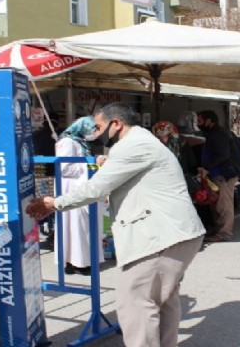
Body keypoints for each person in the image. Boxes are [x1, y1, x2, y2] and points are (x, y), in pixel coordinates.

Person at [26, 102, 205, 347]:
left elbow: (96, 188)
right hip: (176, 234)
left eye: (99, 127)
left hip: (158, 237)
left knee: (136, 303)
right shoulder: (143, 142)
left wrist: (54, 203)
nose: (96, 133)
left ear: (117, 123)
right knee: (163, 300)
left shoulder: (132, 145)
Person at [55, 116, 104, 275]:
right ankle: (74, 262)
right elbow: (65, 168)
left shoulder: (80, 142)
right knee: (74, 226)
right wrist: (94, 163)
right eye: (93, 129)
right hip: (71, 189)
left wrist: (94, 163)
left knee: (81, 227)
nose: (95, 133)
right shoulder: (68, 142)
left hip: (79, 187)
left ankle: (82, 261)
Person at [196, 110, 240, 242]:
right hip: (218, 174)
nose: (198, 124)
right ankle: (219, 230)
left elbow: (223, 155)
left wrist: (207, 168)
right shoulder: (215, 133)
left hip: (224, 174)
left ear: (208, 121)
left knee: (224, 205)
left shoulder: (218, 134)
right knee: (217, 204)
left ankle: (224, 233)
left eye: (199, 121)